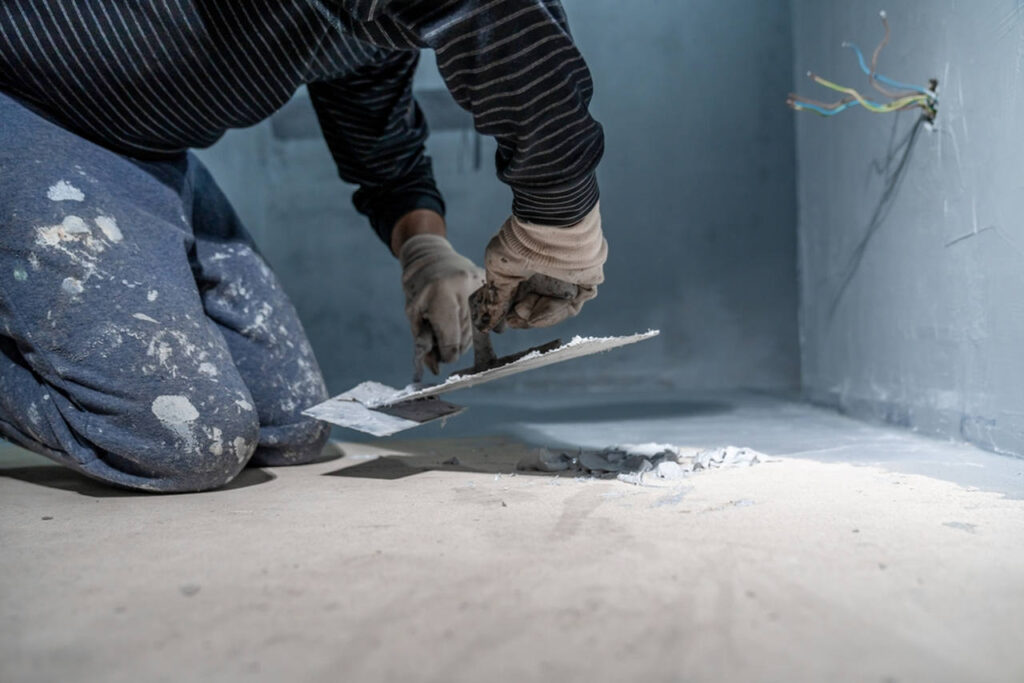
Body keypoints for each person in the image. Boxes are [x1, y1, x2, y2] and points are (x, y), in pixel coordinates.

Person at [0, 0, 608, 492]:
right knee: (184, 444)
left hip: (153, 156)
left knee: (291, 428)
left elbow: (385, 155)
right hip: (30, 107)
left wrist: (426, 254)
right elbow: (493, 13)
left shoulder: (368, 21)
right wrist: (560, 219)